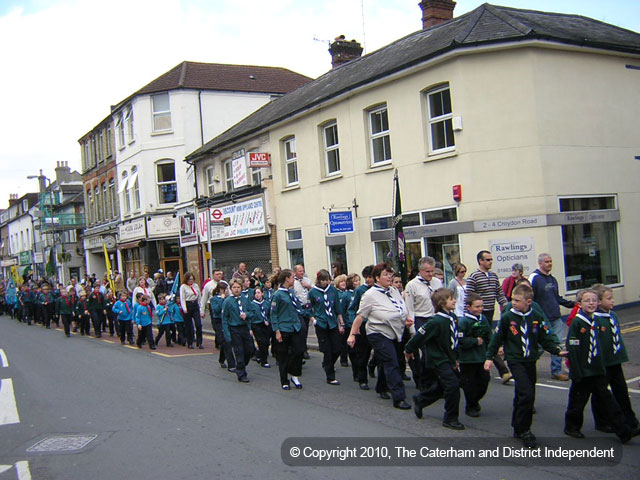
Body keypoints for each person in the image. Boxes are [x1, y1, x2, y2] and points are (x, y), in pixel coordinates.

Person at [484, 283, 566, 448]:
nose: (513, 302)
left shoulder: (536, 316)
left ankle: (517, 425)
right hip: (515, 360)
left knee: (526, 394)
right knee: (526, 393)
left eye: (517, 300)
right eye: (512, 299)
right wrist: (489, 357)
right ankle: (525, 430)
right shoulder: (508, 317)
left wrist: (557, 350)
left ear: (528, 302)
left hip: (530, 360)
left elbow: (545, 337)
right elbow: (496, 338)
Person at [563, 289, 635, 442]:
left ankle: (624, 431)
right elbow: (573, 346)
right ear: (579, 304)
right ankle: (572, 427)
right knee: (578, 401)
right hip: (583, 370)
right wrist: (576, 369)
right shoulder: (578, 322)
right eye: (587, 301)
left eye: (594, 300)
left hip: (597, 369)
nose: (591, 303)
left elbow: (600, 346)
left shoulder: (596, 320)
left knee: (608, 400)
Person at [348, 263, 413, 410]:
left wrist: (405, 319)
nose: (389, 277)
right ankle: (399, 398)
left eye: (390, 274)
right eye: (385, 274)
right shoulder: (369, 295)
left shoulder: (394, 291)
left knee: (389, 360)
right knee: (392, 362)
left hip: (396, 331)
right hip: (378, 332)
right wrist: (352, 334)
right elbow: (360, 316)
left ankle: (381, 387)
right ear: (377, 278)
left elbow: (401, 308)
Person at [405, 288, 464, 429]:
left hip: (449, 357)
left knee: (447, 385)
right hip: (438, 358)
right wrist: (409, 349)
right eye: (451, 299)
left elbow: (454, 340)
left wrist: (455, 359)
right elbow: (419, 336)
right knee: (452, 385)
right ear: (442, 303)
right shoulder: (435, 321)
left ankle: (421, 399)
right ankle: (450, 418)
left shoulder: (453, 318)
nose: (454, 300)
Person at [589, 285, 639, 435]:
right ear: (598, 301)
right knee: (601, 394)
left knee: (621, 390)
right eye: (608, 298)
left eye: (612, 297)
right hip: (603, 362)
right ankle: (602, 422)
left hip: (615, 360)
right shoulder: (595, 318)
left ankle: (630, 420)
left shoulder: (613, 315)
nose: (612, 301)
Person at [467, 250, 511, 384]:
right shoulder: (473, 276)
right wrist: (468, 315)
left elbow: (499, 294)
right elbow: (468, 297)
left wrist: (508, 307)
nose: (490, 262)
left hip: (490, 312)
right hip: (478, 314)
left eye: (491, 259)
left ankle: (480, 369)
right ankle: (503, 371)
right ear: (480, 261)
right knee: (489, 341)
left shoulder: (493, 276)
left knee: (484, 342)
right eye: (487, 259)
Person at [529, 254, 575, 381]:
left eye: (550, 261)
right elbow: (530, 299)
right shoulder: (534, 278)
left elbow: (557, 297)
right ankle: (526, 363)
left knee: (557, 344)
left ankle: (556, 371)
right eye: (546, 262)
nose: (549, 264)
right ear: (540, 264)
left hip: (556, 317)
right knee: (539, 345)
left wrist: (572, 304)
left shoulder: (553, 279)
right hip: (542, 319)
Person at [404, 256, 442, 390]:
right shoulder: (412, 285)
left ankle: (433, 379)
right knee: (425, 352)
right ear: (420, 271)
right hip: (420, 319)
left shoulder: (437, 282)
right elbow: (410, 308)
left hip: (435, 319)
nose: (431, 274)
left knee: (435, 352)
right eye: (427, 272)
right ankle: (422, 380)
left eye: (432, 271)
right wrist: (412, 329)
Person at [457, 292, 491, 417]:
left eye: (481, 306)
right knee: (469, 384)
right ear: (468, 307)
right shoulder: (463, 322)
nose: (480, 309)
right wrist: (474, 341)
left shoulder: (484, 319)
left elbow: (488, 336)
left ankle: (475, 400)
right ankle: (471, 405)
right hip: (468, 359)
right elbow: (459, 340)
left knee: (484, 381)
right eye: (477, 307)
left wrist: (493, 350)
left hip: (481, 357)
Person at [270, 269, 305, 390]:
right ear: (287, 279)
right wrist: (277, 331)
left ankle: (294, 375)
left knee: (299, 351)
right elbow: (273, 314)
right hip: (283, 328)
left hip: (295, 327)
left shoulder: (291, 292)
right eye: (292, 278)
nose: (294, 280)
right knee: (283, 356)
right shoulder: (277, 295)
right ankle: (284, 380)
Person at [309, 269, 344, 385]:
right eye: (323, 280)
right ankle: (330, 376)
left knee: (337, 348)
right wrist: (314, 320)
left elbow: (337, 308)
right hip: (321, 324)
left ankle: (327, 363)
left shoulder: (333, 290)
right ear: (319, 280)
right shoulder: (313, 292)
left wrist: (341, 323)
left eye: (327, 280)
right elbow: (309, 308)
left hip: (333, 323)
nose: (326, 282)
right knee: (327, 350)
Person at [222, 278, 254, 382]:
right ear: (231, 289)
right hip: (234, 328)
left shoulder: (245, 299)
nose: (236, 289)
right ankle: (241, 373)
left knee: (250, 349)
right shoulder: (227, 302)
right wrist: (227, 335)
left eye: (238, 287)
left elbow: (252, 312)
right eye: (234, 287)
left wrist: (247, 315)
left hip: (244, 327)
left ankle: (241, 365)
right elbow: (224, 319)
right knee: (239, 351)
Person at [347, 266, 374, 390]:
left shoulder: (383, 290)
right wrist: (355, 325)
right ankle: (362, 378)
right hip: (363, 325)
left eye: (371, 277)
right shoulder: (360, 291)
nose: (368, 280)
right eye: (366, 277)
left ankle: (373, 367)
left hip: (377, 325)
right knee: (363, 353)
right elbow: (352, 309)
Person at [210, 282, 234, 369]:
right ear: (220, 290)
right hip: (218, 321)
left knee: (226, 342)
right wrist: (222, 300)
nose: (227, 291)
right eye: (225, 289)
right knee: (225, 341)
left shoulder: (229, 299)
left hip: (227, 321)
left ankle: (221, 359)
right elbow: (216, 310)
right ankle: (232, 365)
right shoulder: (214, 299)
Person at [293, 264, 313, 359]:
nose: (302, 272)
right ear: (295, 272)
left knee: (306, 330)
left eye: (303, 271)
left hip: (307, 307)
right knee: (301, 329)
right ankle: (301, 349)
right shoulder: (293, 282)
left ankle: (304, 349)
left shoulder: (307, 280)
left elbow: (314, 291)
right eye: (300, 271)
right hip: (298, 308)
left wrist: (308, 286)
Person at [249, 287, 272, 368]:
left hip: (266, 325)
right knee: (261, 342)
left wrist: (268, 320)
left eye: (259, 293)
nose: (257, 295)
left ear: (262, 293)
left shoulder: (266, 303)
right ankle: (264, 361)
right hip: (256, 324)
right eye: (256, 293)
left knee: (266, 343)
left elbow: (270, 314)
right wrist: (250, 328)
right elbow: (250, 317)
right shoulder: (252, 304)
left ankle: (259, 355)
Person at [179, 272, 203, 349]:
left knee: (198, 324)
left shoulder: (195, 286)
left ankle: (199, 342)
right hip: (188, 305)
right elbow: (182, 298)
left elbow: (199, 296)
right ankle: (190, 342)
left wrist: (200, 307)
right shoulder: (183, 287)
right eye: (189, 279)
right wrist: (184, 308)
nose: (191, 281)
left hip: (195, 305)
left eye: (192, 279)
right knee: (189, 326)